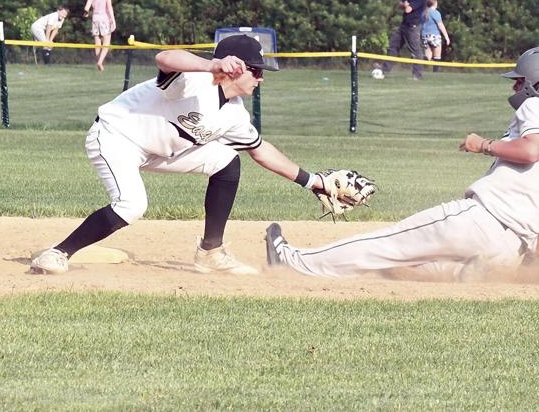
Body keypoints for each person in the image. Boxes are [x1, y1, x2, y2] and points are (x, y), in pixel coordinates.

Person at [266, 47, 539, 281]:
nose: (514, 87)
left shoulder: (537, 106)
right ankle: (468, 273)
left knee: (386, 243)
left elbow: (531, 150)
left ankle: (293, 261)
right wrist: (532, 265)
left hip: (481, 221)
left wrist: (482, 145)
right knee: (405, 266)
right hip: (511, 247)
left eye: (519, 80)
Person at [30, 35, 334, 275]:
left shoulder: (234, 115)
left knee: (227, 160)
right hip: (116, 137)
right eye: (256, 71)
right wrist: (211, 64)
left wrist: (314, 182)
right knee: (132, 205)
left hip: (159, 151)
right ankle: (58, 253)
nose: (261, 78)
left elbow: (262, 151)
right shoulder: (193, 80)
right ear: (236, 67)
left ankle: (210, 252)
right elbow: (164, 58)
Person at [376, 0, 429, 81]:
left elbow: (408, 9)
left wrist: (405, 5)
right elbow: (400, 5)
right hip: (403, 25)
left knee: (416, 52)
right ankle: (384, 70)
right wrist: (404, 5)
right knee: (393, 47)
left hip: (412, 27)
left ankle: (417, 75)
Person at [83, 0, 116, 72]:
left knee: (97, 41)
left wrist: (86, 13)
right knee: (106, 41)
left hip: (95, 18)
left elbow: (86, 8)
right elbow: (109, 8)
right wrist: (113, 20)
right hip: (104, 18)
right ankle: (100, 62)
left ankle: (99, 62)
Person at [421, 0, 451, 72]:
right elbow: (440, 25)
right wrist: (446, 37)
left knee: (428, 55)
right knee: (437, 56)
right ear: (434, 3)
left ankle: (420, 68)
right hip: (434, 35)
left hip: (425, 35)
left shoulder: (424, 13)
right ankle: (435, 73)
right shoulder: (435, 13)